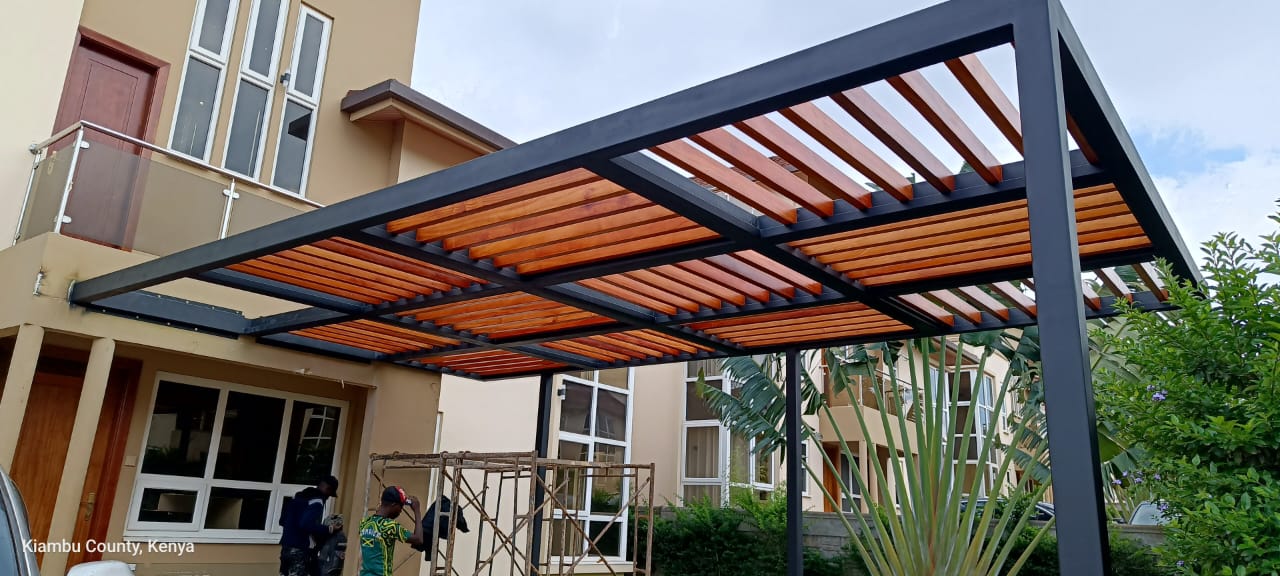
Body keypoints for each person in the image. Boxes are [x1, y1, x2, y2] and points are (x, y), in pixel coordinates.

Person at [279, 475, 341, 576]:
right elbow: (306, 524)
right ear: (328, 489)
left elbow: (282, 521)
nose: (328, 497)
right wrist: (329, 528)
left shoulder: (297, 497)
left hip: (286, 547)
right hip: (299, 549)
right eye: (330, 494)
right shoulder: (317, 501)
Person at [358, 486, 424, 576]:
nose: (401, 511)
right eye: (401, 506)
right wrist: (417, 511)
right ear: (393, 504)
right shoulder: (389, 526)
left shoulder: (364, 523)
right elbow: (418, 539)